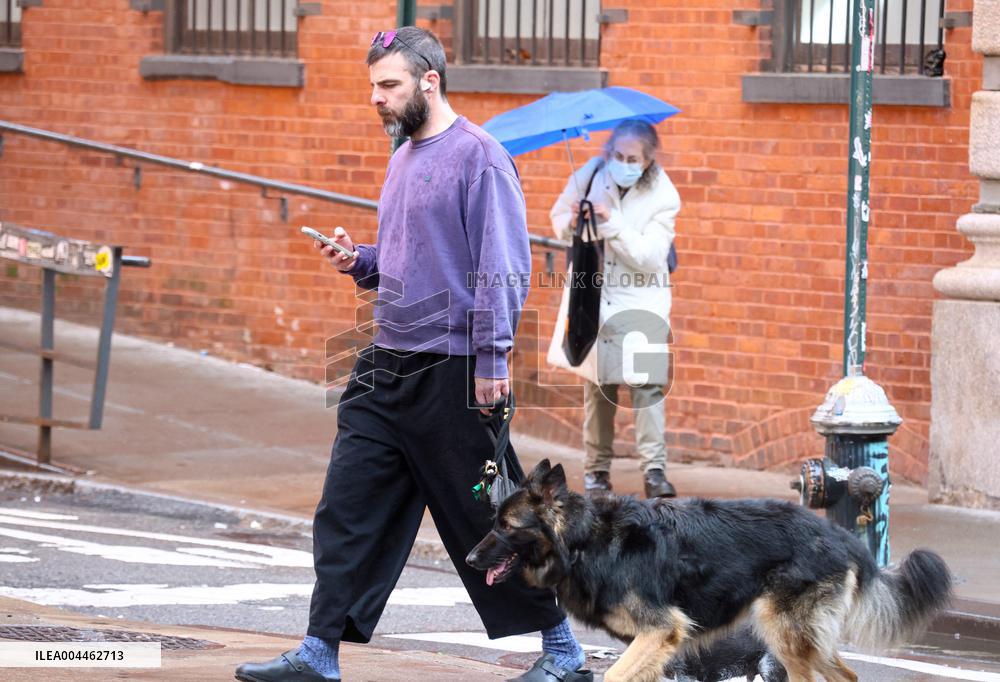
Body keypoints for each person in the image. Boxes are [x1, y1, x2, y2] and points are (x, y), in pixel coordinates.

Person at [235, 27, 591, 682]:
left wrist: (491, 360)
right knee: (346, 510)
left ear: (431, 80)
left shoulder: (480, 158)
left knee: (488, 516)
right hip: (385, 367)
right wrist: (361, 261)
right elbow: (410, 258)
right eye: (373, 85)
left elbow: (503, 268)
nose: (376, 97)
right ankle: (319, 651)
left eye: (389, 84)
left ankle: (563, 652)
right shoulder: (403, 155)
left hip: (455, 375)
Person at [546, 119, 681, 500]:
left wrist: (610, 222)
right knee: (599, 387)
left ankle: (654, 471)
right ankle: (596, 472)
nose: (622, 162)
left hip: (642, 297)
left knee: (647, 384)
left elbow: (649, 256)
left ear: (648, 160)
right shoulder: (590, 174)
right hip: (596, 295)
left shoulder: (664, 195)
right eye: (617, 155)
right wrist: (573, 221)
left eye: (632, 158)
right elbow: (558, 222)